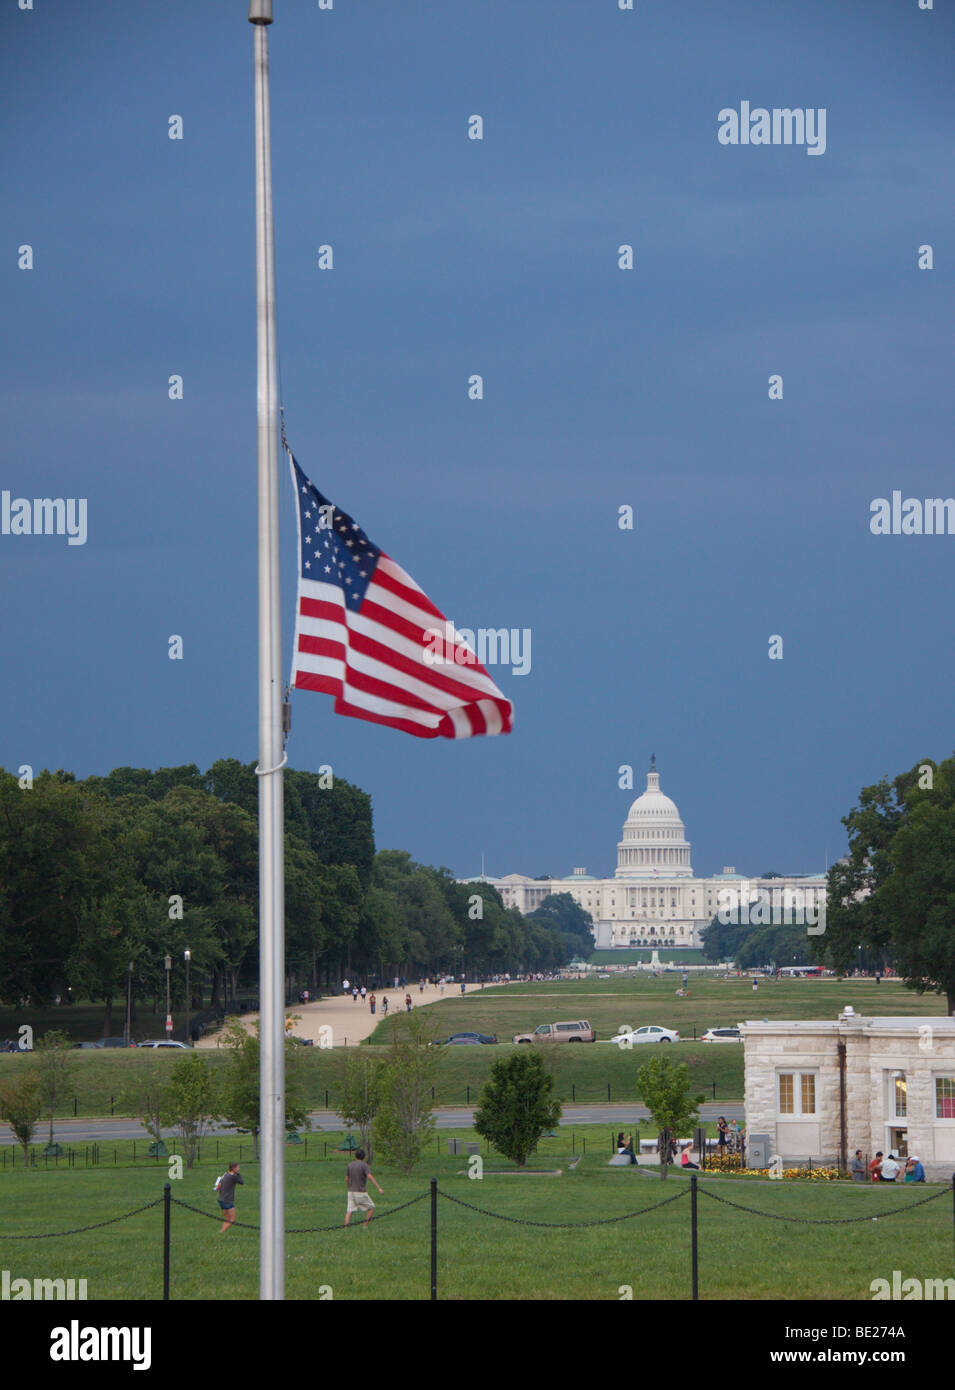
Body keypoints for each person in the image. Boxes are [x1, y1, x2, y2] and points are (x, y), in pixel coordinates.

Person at [344, 1147, 384, 1227]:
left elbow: (346, 1179)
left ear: (355, 1156)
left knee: (349, 1211)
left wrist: (349, 1187)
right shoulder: (364, 1165)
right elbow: (369, 1176)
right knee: (371, 1207)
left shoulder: (350, 1165)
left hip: (351, 1192)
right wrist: (379, 1188)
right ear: (364, 1157)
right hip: (360, 1192)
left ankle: (346, 1228)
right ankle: (364, 1226)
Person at [215, 1162, 243, 1233]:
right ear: (233, 1168)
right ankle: (221, 1232)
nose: (239, 1169)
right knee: (232, 1220)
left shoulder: (225, 1175)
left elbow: (218, 1184)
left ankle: (220, 1233)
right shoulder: (233, 1177)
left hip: (221, 1200)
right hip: (228, 1201)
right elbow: (241, 1182)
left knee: (227, 1219)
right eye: (238, 1167)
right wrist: (238, 1174)